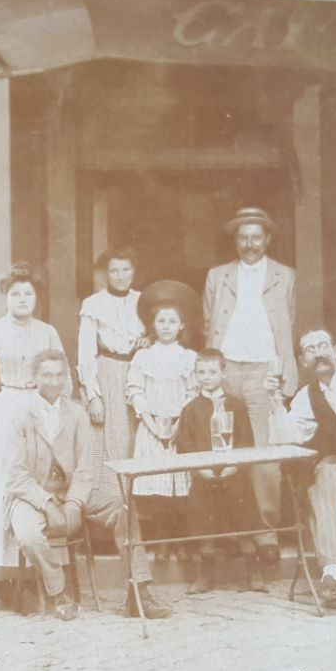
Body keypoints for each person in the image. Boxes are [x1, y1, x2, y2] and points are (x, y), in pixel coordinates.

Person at [7, 349, 168, 620]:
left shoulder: (76, 414)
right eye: (46, 375)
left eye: (59, 375)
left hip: (71, 492)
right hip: (32, 496)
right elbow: (15, 476)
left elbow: (85, 468)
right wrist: (47, 503)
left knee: (121, 507)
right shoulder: (21, 415)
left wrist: (73, 502)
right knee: (28, 536)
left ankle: (139, 592)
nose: (53, 381)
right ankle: (59, 591)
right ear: (35, 377)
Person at [203, 207, 297, 568]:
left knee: (264, 454)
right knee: (220, 449)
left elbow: (287, 323)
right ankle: (225, 534)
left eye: (256, 237)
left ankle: (265, 534)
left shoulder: (285, 276)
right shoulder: (219, 276)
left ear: (267, 240)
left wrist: (280, 371)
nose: (249, 244)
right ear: (235, 240)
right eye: (243, 237)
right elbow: (209, 320)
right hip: (225, 369)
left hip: (263, 372)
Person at [0, 262, 65, 582]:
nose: (22, 299)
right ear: (5, 297)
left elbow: (63, 376)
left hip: (34, 409)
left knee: (32, 480)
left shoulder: (47, 332)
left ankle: (33, 570)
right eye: (15, 293)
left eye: (28, 293)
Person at [267, 329, 336, 606]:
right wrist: (274, 398)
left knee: (326, 478)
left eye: (323, 346)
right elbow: (287, 437)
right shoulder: (307, 395)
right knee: (325, 477)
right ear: (303, 361)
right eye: (310, 350)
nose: (318, 353)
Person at [176, 349, 266, 594]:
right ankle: (206, 572)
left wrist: (234, 466)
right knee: (202, 509)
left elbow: (246, 440)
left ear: (223, 372)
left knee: (243, 505)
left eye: (212, 372)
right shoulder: (191, 409)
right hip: (205, 475)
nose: (206, 377)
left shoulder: (235, 405)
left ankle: (253, 568)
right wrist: (201, 469)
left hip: (233, 473)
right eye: (201, 372)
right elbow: (185, 444)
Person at [123, 282, 197, 565]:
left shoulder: (187, 358)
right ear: (153, 325)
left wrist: (177, 424)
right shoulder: (143, 356)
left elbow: (193, 394)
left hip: (179, 428)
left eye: (172, 321)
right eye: (161, 321)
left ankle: (183, 543)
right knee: (157, 492)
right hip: (151, 428)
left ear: (181, 326)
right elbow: (134, 390)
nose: (166, 326)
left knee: (181, 489)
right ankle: (163, 543)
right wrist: (152, 423)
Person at [77, 248, 148, 519]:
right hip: (108, 375)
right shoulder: (94, 304)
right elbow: (85, 352)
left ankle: (141, 516)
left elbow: (160, 329)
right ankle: (114, 512)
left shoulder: (143, 301)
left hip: (139, 373)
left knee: (139, 441)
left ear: (134, 271)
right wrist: (93, 394)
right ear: (106, 273)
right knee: (112, 441)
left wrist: (148, 340)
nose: (121, 276)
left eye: (126, 270)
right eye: (115, 270)